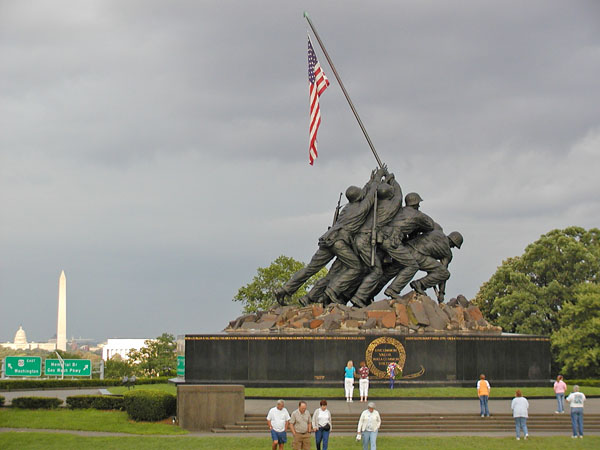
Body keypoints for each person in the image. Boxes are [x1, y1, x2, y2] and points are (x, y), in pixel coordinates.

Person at [275, 168, 386, 306]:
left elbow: (364, 193)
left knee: (310, 269)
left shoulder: (347, 208)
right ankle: (332, 291)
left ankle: (284, 290)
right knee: (356, 267)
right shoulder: (360, 209)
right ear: (359, 197)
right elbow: (370, 197)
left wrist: (371, 180)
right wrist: (378, 178)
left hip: (328, 239)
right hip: (339, 242)